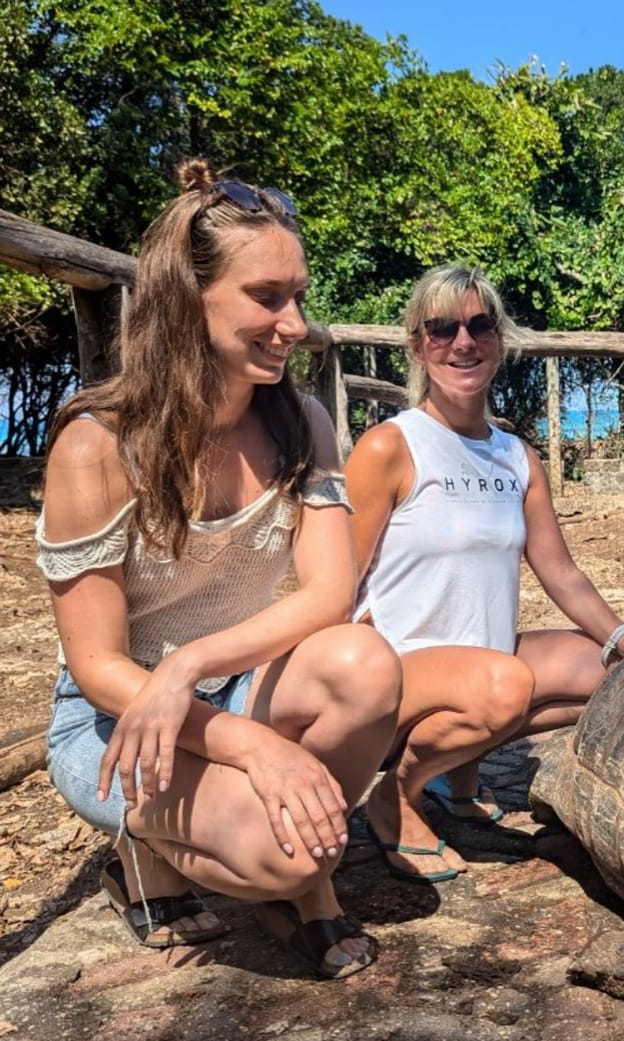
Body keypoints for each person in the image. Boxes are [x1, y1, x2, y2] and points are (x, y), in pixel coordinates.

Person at [36, 159, 402, 979]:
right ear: (186, 300)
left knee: (366, 665)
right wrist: (249, 744)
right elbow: (96, 665)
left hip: (225, 678)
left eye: (299, 295)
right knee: (288, 848)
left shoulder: (300, 421)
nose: (296, 322)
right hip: (114, 717)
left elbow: (332, 593)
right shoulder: (97, 445)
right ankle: (155, 862)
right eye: (267, 296)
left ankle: (302, 889)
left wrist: (196, 665)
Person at [344, 263, 624, 884]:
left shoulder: (515, 455)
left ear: (499, 341)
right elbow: (339, 574)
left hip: (488, 661)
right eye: (442, 329)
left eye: (480, 325)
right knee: (506, 685)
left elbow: (560, 572)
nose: (463, 342)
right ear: (417, 345)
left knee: (618, 675)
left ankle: (459, 774)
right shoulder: (389, 447)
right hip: (400, 668)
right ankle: (397, 793)